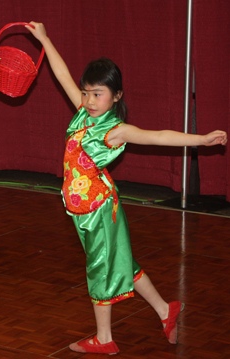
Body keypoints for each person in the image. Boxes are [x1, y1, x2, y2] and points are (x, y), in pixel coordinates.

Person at [26, 22, 227, 354]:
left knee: (100, 267)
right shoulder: (82, 114)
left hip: (99, 210)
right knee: (123, 265)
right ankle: (166, 310)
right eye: (87, 92)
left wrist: (202, 140)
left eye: (98, 94)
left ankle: (104, 338)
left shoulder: (115, 130)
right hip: (83, 211)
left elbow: (159, 136)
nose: (90, 100)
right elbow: (62, 75)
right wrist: (45, 40)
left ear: (116, 96)